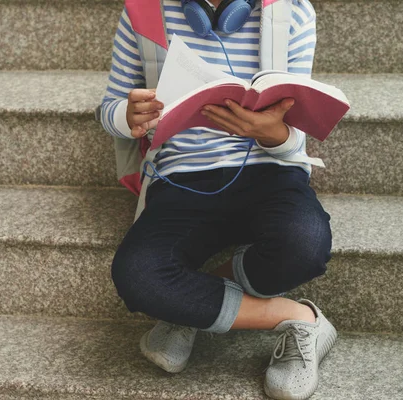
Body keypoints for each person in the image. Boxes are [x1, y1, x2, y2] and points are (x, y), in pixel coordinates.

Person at [98, 1, 336, 399]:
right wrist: (128, 114)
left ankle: (190, 306)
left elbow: (296, 137)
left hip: (270, 169)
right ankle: (298, 317)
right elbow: (108, 111)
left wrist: (271, 132)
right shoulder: (144, 11)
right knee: (138, 277)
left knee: (306, 246)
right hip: (181, 178)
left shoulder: (293, 11)